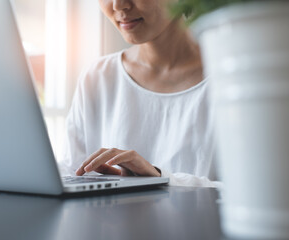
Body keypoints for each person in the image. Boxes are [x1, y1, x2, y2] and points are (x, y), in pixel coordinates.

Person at [60, 0, 220, 187]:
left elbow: (255, 195)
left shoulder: (236, 76)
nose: (118, 5)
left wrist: (160, 179)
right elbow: (70, 171)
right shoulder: (98, 77)